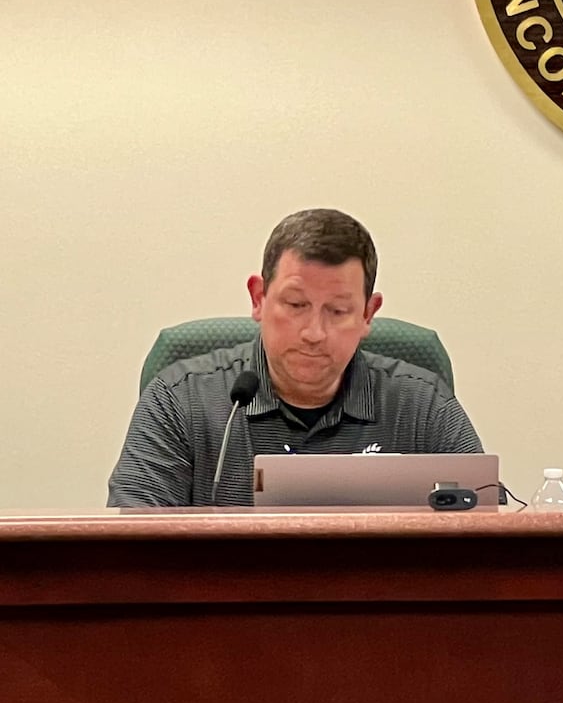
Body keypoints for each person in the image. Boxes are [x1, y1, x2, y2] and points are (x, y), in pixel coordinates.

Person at [109, 208, 482, 507]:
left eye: (337, 311)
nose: (314, 333)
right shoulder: (179, 401)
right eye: (296, 304)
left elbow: (488, 536)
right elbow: (132, 551)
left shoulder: (422, 406)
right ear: (259, 298)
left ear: (368, 314)